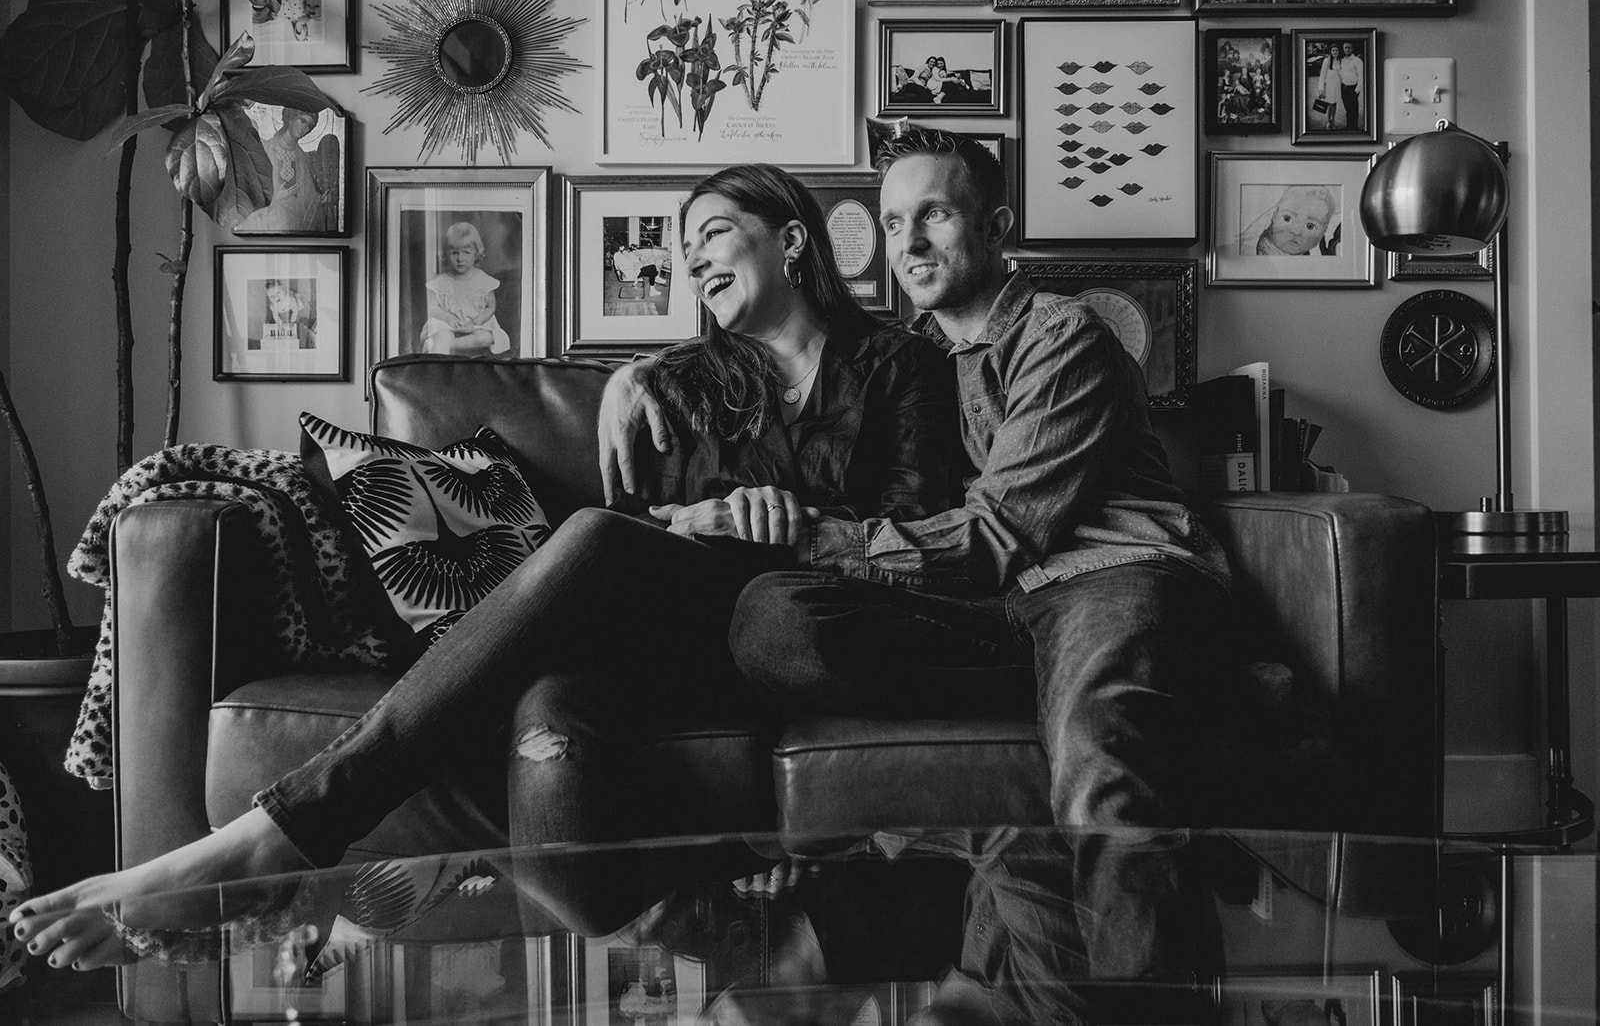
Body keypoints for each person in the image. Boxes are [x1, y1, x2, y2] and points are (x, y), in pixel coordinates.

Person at [10, 163, 964, 969]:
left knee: (575, 581)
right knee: (554, 686)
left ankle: (278, 841)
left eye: (715, 233)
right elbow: (644, 531)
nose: (695, 259)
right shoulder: (671, 385)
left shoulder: (900, 366)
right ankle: (685, 943)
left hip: (801, 631)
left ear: (792, 240)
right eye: (684, 250)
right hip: (677, 630)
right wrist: (704, 510)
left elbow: (921, 528)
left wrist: (797, 528)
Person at [598, 127, 1232, 985]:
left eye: (933, 214)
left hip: (1101, 577)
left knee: (1103, 777)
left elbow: (997, 533)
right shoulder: (919, 360)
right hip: (1001, 609)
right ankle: (1053, 703)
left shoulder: (1062, 336)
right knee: (776, 622)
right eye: (894, 224)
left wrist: (805, 533)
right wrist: (637, 371)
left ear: (997, 225)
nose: (911, 243)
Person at [234, 107, 339, 234]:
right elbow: (250, 189)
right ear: (291, 118)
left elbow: (307, 194)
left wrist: (319, 200)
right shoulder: (265, 148)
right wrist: (276, 198)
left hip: (295, 220)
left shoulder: (301, 158)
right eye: (303, 121)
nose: (305, 128)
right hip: (268, 219)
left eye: (310, 126)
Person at [421, 221, 511, 356]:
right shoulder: (441, 282)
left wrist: (476, 321)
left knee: (486, 338)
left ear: (476, 253)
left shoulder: (483, 281)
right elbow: (432, 307)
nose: (460, 258)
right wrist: (447, 317)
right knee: (443, 335)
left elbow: (490, 307)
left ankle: (449, 346)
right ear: (446, 254)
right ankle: (441, 347)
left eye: (466, 252)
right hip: (447, 325)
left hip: (474, 325)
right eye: (454, 253)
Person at [1244, 184, 1337, 255]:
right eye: (1287, 218)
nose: (1296, 231)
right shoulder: (1255, 250)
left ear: (1323, 232)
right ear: (1273, 217)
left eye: (1310, 226)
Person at [262, 278, 315, 349]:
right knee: (272, 308)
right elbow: (275, 315)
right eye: (272, 296)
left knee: (297, 301)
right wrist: (280, 323)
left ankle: (296, 296)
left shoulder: (289, 299)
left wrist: (292, 321)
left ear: (283, 291)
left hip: (289, 305)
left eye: (278, 292)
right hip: (282, 309)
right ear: (269, 298)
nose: (276, 297)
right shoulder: (273, 306)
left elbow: (295, 310)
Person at [1336, 41, 1364, 131]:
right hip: (1344, 88)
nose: (1347, 49)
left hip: (1353, 89)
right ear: (1343, 49)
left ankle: (1354, 128)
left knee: (1353, 110)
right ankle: (1349, 127)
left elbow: (1361, 76)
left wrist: (1357, 90)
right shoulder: (1342, 61)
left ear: (1352, 49)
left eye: (1349, 47)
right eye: (1345, 48)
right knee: (1348, 109)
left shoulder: (1357, 61)